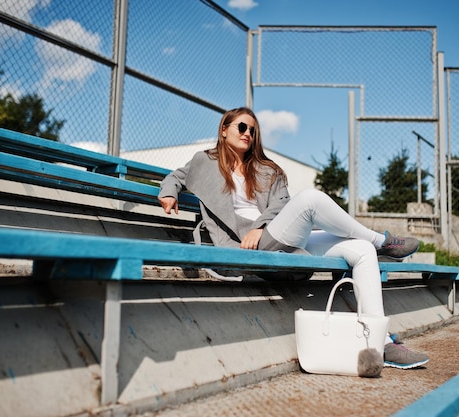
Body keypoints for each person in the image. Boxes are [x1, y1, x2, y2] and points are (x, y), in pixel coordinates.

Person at [158, 107, 429, 369]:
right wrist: (168, 193)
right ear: (224, 129)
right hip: (246, 244)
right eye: (242, 127)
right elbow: (176, 177)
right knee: (311, 199)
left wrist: (261, 226)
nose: (247, 133)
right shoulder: (204, 161)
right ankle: (381, 241)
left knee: (360, 250)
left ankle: (381, 342)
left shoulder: (266, 169)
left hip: (271, 236)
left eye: (252, 130)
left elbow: (282, 204)